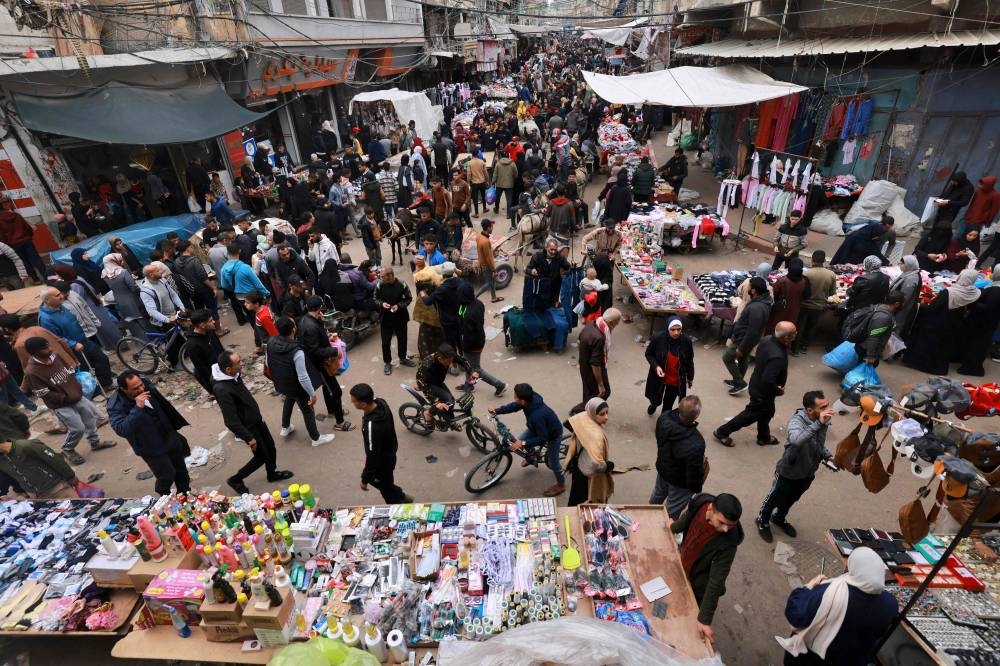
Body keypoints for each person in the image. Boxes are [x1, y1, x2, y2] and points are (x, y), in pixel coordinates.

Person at [779, 547, 898, 666]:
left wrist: (808, 586)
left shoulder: (829, 593)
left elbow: (796, 615)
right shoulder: (891, 604)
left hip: (811, 659)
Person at [21, 337, 114, 466]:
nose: (50, 349)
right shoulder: (32, 372)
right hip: (60, 405)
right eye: (45, 348)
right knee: (77, 428)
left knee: (90, 420)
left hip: (76, 396)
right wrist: (64, 398)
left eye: (48, 345)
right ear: (35, 352)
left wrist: (76, 388)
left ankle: (95, 443)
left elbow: (70, 371)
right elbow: (43, 393)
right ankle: (67, 449)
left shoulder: (56, 356)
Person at [756, 391, 834, 542]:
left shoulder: (822, 420)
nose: (827, 409)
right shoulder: (797, 421)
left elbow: (818, 444)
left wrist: (828, 456)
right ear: (810, 410)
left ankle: (779, 518)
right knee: (775, 497)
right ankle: (762, 520)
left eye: (827, 405)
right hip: (789, 471)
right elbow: (797, 441)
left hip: (808, 472)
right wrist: (819, 424)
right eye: (822, 407)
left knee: (792, 497)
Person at [213, 351, 293, 494]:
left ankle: (272, 473)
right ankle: (236, 479)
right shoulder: (222, 389)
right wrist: (248, 437)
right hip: (249, 427)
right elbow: (230, 420)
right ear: (228, 369)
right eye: (238, 363)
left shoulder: (234, 376)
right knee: (261, 456)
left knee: (271, 447)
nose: (241, 364)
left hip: (256, 420)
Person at [671, 493, 744, 646]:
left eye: (731, 525)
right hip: (684, 561)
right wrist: (672, 527)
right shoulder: (700, 503)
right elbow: (687, 518)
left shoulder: (729, 542)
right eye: (723, 522)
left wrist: (704, 619)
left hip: (699, 583)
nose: (726, 529)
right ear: (711, 509)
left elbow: (717, 579)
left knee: (689, 616)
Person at [109, 370, 193, 495]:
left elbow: (162, 404)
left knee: (181, 470)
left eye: (141, 384)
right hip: (150, 446)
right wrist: (137, 408)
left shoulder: (145, 385)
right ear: (124, 389)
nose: (141, 388)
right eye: (135, 388)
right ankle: (164, 496)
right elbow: (122, 429)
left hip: (169, 435)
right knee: (167, 475)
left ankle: (185, 494)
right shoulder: (116, 405)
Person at [714, 321, 796, 448]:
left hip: (756, 382)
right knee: (750, 415)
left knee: (767, 412)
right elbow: (768, 380)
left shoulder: (767, 339)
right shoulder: (777, 356)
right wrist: (778, 390)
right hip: (764, 391)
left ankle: (764, 437)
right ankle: (722, 432)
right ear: (786, 337)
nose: (796, 334)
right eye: (794, 333)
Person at [266, 316, 336, 447]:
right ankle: (316, 438)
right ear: (293, 329)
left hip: (282, 383)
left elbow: (268, 362)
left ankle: (285, 427)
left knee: (289, 399)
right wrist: (312, 394)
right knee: (307, 409)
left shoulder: (271, 342)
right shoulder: (296, 351)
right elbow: (303, 376)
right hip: (297, 386)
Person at [490, 383, 564, 496]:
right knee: (518, 442)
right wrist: (497, 410)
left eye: (515, 396)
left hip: (552, 434)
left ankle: (561, 485)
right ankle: (531, 457)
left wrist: (523, 443)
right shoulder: (529, 399)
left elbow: (542, 438)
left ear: (523, 401)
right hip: (536, 428)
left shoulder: (537, 415)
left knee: (554, 463)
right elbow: (514, 406)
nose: (514, 397)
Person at [903, 268, 980, 374]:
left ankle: (920, 364)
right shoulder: (974, 293)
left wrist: (920, 305)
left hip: (936, 323)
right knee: (944, 347)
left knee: (926, 342)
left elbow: (933, 308)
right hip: (954, 324)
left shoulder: (949, 292)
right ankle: (938, 368)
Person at [36, 285, 114, 390]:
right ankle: (94, 389)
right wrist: (73, 344)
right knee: (85, 370)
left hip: (83, 339)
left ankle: (106, 383)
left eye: (60, 293)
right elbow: (54, 339)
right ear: (48, 300)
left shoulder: (61, 306)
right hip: (71, 348)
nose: (61, 296)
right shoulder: (46, 319)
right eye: (57, 295)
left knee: (101, 358)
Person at [297, 296, 353, 432]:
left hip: (319, 364)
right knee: (335, 391)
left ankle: (332, 410)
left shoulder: (309, 320)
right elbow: (315, 351)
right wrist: (334, 351)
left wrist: (327, 338)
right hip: (319, 365)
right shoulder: (310, 326)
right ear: (318, 309)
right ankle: (339, 422)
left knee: (327, 388)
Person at [349, 383, 412, 503]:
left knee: (386, 490)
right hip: (390, 452)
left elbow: (372, 455)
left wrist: (364, 479)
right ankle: (401, 495)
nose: (352, 403)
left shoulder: (372, 426)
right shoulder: (381, 403)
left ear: (363, 404)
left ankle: (399, 503)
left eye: (354, 401)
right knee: (387, 484)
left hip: (382, 463)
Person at [650, 396, 706, 518]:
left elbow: (659, 438)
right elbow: (694, 472)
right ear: (696, 416)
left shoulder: (664, 418)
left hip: (663, 469)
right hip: (679, 482)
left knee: (657, 494)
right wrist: (696, 488)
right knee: (672, 510)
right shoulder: (696, 443)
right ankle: (664, 530)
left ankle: (649, 515)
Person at [723, 277, 772, 395]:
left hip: (742, 339)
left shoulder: (757, 307)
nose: (747, 288)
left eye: (749, 287)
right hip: (748, 338)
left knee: (727, 357)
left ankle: (740, 382)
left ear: (754, 290)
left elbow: (752, 330)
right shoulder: (761, 302)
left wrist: (742, 346)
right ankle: (737, 381)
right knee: (743, 358)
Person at [456, 282, 506, 396]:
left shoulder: (469, 313)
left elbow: (467, 331)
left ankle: (499, 385)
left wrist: (463, 346)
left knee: (476, 370)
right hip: (475, 340)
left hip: (472, 344)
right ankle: (469, 385)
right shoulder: (476, 303)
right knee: (468, 365)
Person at [565, 397, 614, 506]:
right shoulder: (596, 437)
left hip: (577, 468)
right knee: (587, 504)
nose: (606, 417)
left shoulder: (583, 418)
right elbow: (595, 466)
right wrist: (607, 466)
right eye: (602, 414)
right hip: (585, 478)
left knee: (574, 500)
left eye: (607, 412)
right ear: (592, 413)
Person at [138, 264, 188, 371]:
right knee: (171, 343)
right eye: (157, 271)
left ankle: (184, 356)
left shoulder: (162, 281)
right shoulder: (146, 291)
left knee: (179, 336)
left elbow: (173, 294)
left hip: (174, 314)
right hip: (162, 320)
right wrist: (167, 319)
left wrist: (181, 306)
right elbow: (151, 311)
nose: (161, 272)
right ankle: (175, 363)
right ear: (151, 274)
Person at [644, 317, 694, 415]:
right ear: (667, 329)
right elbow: (649, 354)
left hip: (675, 380)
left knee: (668, 406)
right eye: (673, 329)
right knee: (655, 399)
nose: (676, 332)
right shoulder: (658, 338)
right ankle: (653, 405)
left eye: (679, 329)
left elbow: (689, 360)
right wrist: (656, 366)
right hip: (659, 377)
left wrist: (690, 377)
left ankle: (663, 424)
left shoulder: (686, 341)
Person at [415, 343, 477, 423]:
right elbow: (423, 384)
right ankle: (428, 413)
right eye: (449, 361)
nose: (451, 362)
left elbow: (462, 361)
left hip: (439, 381)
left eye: (452, 360)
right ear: (441, 358)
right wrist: (436, 402)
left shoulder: (449, 356)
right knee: (446, 400)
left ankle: (449, 420)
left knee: (451, 401)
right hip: (429, 384)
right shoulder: (428, 364)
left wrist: (471, 372)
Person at [575, 308, 621, 411]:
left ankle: (591, 410)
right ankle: (580, 411)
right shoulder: (599, 337)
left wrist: (581, 359)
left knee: (590, 392)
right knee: (601, 392)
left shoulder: (593, 323)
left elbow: (579, 341)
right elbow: (595, 364)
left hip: (585, 364)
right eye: (616, 324)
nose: (615, 327)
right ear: (610, 322)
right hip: (592, 369)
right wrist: (600, 384)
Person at [957, 265, 1000, 376]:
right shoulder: (994, 287)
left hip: (982, 324)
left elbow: (987, 309)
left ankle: (971, 368)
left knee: (976, 346)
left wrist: (971, 302)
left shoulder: (996, 290)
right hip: (987, 323)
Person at [375, 266, 415, 375]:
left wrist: (399, 306)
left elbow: (409, 298)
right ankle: (387, 362)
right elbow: (375, 299)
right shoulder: (380, 285)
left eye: (383, 276)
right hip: (385, 318)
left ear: (390, 276)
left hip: (400, 317)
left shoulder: (402, 284)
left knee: (402, 339)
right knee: (385, 342)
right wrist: (381, 304)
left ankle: (402, 358)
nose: (381, 278)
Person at [794, 251, 835, 355]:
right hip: (820, 306)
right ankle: (805, 346)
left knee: (800, 326)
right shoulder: (831, 274)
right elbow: (832, 293)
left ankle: (796, 348)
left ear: (812, 260)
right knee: (812, 326)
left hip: (805, 304)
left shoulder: (806, 273)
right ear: (824, 261)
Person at [0, 197, 46, 282]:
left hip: (14, 244)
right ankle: (47, 276)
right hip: (26, 240)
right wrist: (28, 237)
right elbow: (27, 227)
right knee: (36, 259)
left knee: (25, 262)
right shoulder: (16, 215)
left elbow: (1, 236)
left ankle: (35, 279)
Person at [102, 253, 147, 338]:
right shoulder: (123, 272)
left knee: (131, 322)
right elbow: (133, 288)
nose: (122, 261)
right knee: (142, 321)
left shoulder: (104, 274)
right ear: (115, 261)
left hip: (119, 301)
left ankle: (140, 340)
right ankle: (150, 339)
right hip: (132, 300)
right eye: (120, 259)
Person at [855, 292, 903, 366]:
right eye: (903, 303)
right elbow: (874, 337)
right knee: (862, 371)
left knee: (861, 370)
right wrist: (870, 356)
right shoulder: (883, 317)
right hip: (866, 348)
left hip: (864, 346)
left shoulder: (880, 308)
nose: (904, 305)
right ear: (896, 304)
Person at [184, 309, 224, 394]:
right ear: (202, 325)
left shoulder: (210, 331)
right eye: (210, 321)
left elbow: (219, 348)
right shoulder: (192, 345)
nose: (214, 322)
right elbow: (202, 369)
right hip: (215, 380)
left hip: (224, 370)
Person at [412, 257, 444, 359]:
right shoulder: (420, 275)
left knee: (430, 336)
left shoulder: (430, 277)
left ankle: (432, 358)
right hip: (429, 313)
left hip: (433, 312)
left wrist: (421, 291)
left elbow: (427, 300)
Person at [767, 257, 809, 335]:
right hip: (795, 311)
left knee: (775, 329)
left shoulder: (781, 281)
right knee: (788, 331)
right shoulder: (805, 281)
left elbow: (774, 296)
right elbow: (807, 297)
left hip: (780, 310)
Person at [931, 170, 975, 242]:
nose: (952, 183)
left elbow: (964, 202)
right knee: (936, 224)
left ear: (961, 181)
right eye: (952, 181)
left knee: (943, 227)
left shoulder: (969, 188)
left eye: (954, 182)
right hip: (942, 207)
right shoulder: (955, 183)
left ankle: (939, 241)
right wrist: (941, 198)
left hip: (951, 211)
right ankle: (932, 238)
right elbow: (948, 192)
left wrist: (948, 202)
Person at [527, 240, 572, 309]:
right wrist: (532, 271)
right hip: (540, 288)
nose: (553, 252)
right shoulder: (537, 256)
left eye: (555, 250)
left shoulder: (560, 258)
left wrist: (572, 268)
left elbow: (568, 267)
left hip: (554, 288)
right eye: (551, 249)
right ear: (546, 248)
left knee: (551, 309)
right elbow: (528, 269)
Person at [887, 255, 922, 338]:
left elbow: (903, 299)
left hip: (901, 310)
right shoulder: (909, 273)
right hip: (898, 306)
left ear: (909, 265)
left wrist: (892, 308)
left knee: (895, 330)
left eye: (902, 263)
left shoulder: (910, 280)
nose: (899, 265)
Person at [475, 219, 503, 302]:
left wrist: (492, 250)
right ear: (488, 228)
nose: (492, 229)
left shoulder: (479, 237)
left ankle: (494, 297)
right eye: (491, 227)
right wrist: (493, 270)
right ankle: (474, 297)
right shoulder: (485, 241)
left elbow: (485, 252)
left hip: (483, 263)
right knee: (488, 284)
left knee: (492, 281)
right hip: (486, 266)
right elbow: (488, 258)